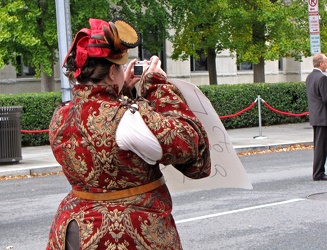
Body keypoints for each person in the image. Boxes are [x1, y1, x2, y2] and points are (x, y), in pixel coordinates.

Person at [46, 17, 211, 249]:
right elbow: (187, 143)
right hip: (127, 233)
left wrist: (122, 88)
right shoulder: (127, 119)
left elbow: (98, 117)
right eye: (121, 67)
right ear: (112, 72)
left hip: (73, 228)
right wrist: (157, 85)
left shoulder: (61, 115)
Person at [306, 53, 327, 181]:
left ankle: (318, 172)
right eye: (325, 62)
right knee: (321, 147)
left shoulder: (309, 77)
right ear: (320, 63)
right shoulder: (322, 78)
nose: (326, 64)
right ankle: (318, 173)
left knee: (319, 146)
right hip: (324, 117)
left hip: (316, 116)